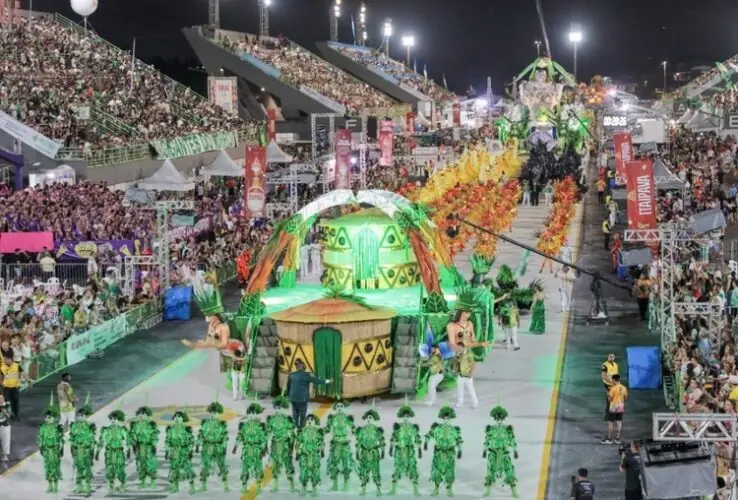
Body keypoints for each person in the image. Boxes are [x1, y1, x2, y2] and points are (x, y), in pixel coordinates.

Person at [424, 406, 463, 497]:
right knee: (437, 470)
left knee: (449, 470)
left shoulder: (454, 430)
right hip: (439, 453)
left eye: (448, 418)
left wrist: (460, 450)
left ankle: (449, 489)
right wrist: (425, 443)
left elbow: (458, 440)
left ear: (450, 419)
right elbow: (429, 435)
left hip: (449, 453)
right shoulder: (437, 428)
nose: (446, 420)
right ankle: (436, 489)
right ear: (442, 418)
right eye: (444, 418)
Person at [483, 404, 519, 498]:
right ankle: (488, 491)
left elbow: (512, 440)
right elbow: (487, 440)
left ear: (503, 419)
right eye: (497, 418)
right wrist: (484, 450)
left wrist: (515, 450)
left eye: (501, 419)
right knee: (490, 471)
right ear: (495, 419)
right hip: (493, 454)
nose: (499, 420)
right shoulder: (490, 429)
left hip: (504, 454)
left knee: (509, 471)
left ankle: (514, 491)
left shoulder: (508, 429)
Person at [389, 398, 422, 496]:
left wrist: (419, 450)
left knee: (412, 468)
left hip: (409, 450)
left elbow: (417, 438)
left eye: (407, 416)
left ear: (409, 416)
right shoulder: (398, 427)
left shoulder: (413, 427)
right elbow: (393, 438)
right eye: (404, 416)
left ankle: (415, 489)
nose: (405, 417)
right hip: (399, 450)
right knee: (397, 468)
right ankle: (393, 489)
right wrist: (391, 448)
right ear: (401, 416)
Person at [233, 401, 267, 494]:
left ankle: (258, 486)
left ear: (257, 414)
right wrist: (235, 446)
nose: (252, 415)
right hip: (247, 450)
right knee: (245, 468)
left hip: (257, 449)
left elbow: (263, 438)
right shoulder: (244, 425)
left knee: (258, 468)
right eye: (250, 413)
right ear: (248, 414)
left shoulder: (260, 426)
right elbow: (240, 436)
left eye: (254, 413)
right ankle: (244, 486)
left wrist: (264, 448)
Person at [286, 359, 331, 428]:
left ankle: (295, 425)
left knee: (295, 412)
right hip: (302, 398)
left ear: (296, 367)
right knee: (302, 412)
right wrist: (328, 381)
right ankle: (301, 426)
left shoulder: (291, 375)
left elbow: (288, 386)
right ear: (304, 367)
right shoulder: (306, 375)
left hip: (293, 397)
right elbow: (317, 381)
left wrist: (288, 395)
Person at [197, 400, 229, 492]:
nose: (212, 414)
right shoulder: (205, 423)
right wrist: (199, 443)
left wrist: (223, 446)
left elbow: (225, 436)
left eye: (215, 413)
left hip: (218, 447)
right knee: (205, 466)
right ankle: (203, 485)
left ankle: (226, 485)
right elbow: (201, 434)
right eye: (211, 412)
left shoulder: (222, 424)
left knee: (222, 466)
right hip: (207, 447)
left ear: (218, 413)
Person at [266, 395, 297, 492]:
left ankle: (292, 486)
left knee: (288, 465)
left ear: (283, 408)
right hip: (275, 445)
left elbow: (292, 434)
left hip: (285, 445)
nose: (278, 409)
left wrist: (292, 446)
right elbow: (268, 433)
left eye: (279, 407)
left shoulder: (288, 419)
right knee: (275, 466)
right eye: (276, 407)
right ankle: (275, 486)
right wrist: (266, 445)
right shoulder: (271, 419)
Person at [355, 406, 386, 496]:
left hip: (374, 453)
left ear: (373, 419)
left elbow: (382, 441)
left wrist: (383, 452)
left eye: (370, 418)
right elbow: (359, 442)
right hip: (364, 453)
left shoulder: (377, 430)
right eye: (367, 418)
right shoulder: (361, 430)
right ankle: (363, 489)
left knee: (376, 471)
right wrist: (357, 452)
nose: (368, 419)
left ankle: (378, 489)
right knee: (364, 471)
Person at [604, 374, 628, 444]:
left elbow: (609, 399)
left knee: (610, 422)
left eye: (612, 380)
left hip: (614, 406)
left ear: (614, 380)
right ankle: (617, 439)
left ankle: (609, 439)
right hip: (621, 406)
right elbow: (625, 398)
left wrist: (608, 395)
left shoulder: (613, 389)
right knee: (619, 422)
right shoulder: (624, 388)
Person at [1, 355, 21, 420]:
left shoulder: (17, 365)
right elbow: (1, 376)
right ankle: (10, 415)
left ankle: (16, 414)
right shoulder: (2, 367)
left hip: (15, 387)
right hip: (6, 387)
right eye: (4, 359)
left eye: (5, 359)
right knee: (7, 402)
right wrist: (1, 383)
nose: (4, 361)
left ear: (10, 359)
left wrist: (27, 380)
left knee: (16, 401)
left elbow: (21, 374)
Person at [601, 353, 619, 422]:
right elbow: (604, 376)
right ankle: (607, 417)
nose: (611, 357)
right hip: (608, 385)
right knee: (609, 400)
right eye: (610, 356)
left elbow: (617, 374)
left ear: (614, 357)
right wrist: (611, 382)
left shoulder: (616, 364)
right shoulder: (605, 365)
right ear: (608, 357)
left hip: (615, 385)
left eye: (613, 356)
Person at [0, 393, 11, 462]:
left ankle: (5, 456)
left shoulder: (7, 405)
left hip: (5, 425)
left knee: (5, 440)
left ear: (3, 398)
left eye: (1, 398)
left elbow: (9, 416)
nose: (0, 400)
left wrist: (3, 410)